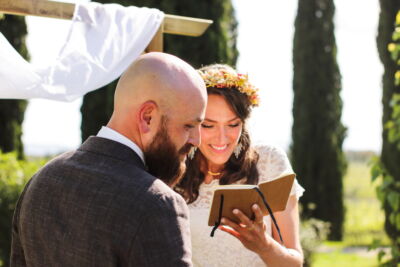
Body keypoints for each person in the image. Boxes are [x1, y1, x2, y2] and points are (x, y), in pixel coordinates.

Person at [10, 52, 207, 267]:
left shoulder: (41, 180)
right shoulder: (156, 203)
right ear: (147, 117)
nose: (197, 140)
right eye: (189, 125)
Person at [176, 64, 305, 266]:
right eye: (208, 125)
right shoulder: (173, 168)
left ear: (243, 123)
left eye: (233, 124)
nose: (222, 138)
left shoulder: (270, 162)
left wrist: (264, 246)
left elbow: (295, 263)